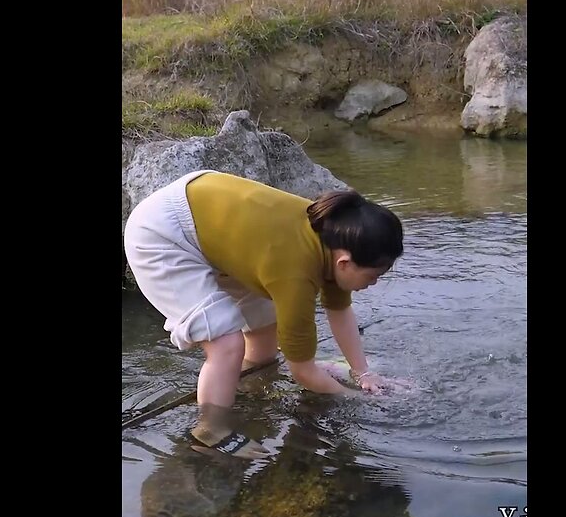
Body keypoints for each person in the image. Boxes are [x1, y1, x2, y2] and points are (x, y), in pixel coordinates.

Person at [124, 170, 404, 458]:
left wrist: (364, 373)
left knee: (263, 340)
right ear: (345, 263)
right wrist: (358, 399)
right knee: (226, 344)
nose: (375, 283)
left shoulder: (331, 239)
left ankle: (249, 391)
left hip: (209, 224)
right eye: (373, 276)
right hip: (162, 234)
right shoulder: (296, 273)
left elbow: (339, 309)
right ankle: (210, 428)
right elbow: (303, 372)